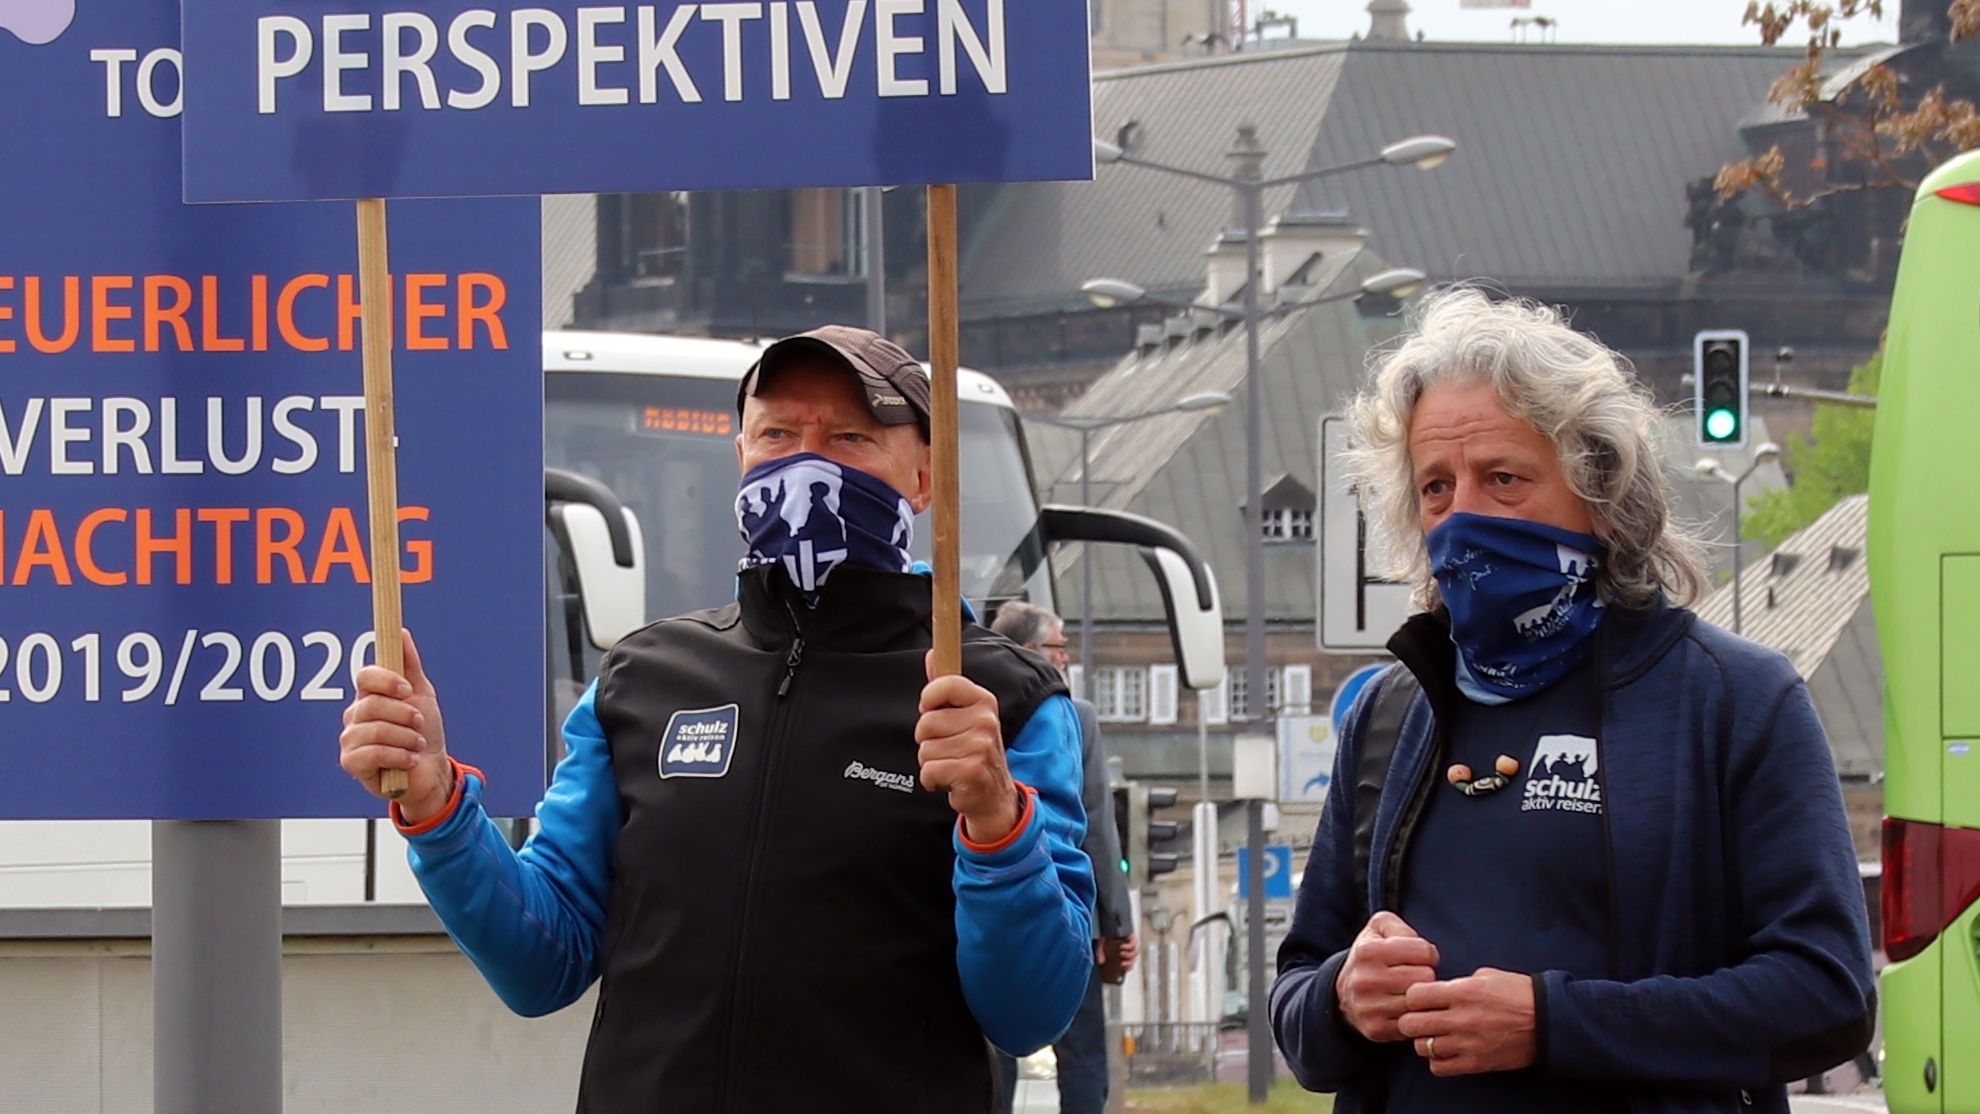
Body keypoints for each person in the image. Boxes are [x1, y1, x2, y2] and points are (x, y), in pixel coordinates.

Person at [338, 325, 1096, 1112]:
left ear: (927, 475)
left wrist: (997, 821)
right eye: (777, 435)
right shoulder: (640, 680)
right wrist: (436, 807)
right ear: (741, 454)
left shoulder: (997, 699)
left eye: (849, 437)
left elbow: (1029, 1012)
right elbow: (541, 965)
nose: (807, 465)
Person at [1270, 290, 1875, 1114]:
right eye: (1437, 487)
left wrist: (1554, 1024)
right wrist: (1341, 998)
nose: (1464, 517)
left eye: (1503, 478)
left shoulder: (1734, 702)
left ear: (1602, 493)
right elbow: (1298, 995)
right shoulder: (1388, 713)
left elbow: (1827, 994)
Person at [988, 601, 1139, 1114]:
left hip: (986, 912)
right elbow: (1095, 823)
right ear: (1031, 651)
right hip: (1066, 912)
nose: (1066, 658)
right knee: (1082, 1058)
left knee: (992, 1058)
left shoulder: (965, 712)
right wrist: (1115, 923)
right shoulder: (1074, 717)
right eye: (1059, 647)